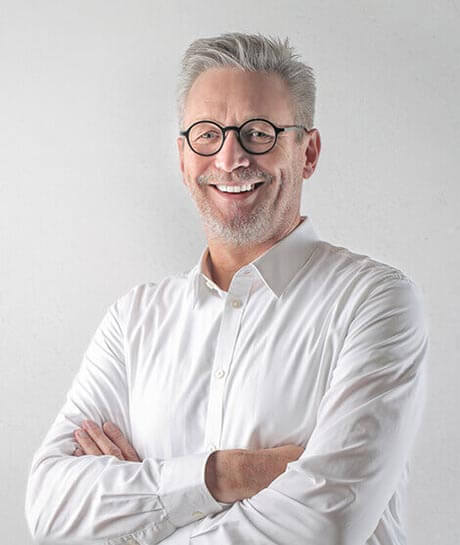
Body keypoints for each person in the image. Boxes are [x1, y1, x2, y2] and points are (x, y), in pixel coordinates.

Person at [25, 33, 428, 545]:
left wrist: (140, 515)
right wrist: (231, 474)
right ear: (182, 158)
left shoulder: (375, 304)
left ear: (307, 153)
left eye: (259, 133)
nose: (230, 157)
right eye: (207, 135)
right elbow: (52, 512)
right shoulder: (134, 320)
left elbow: (325, 525)